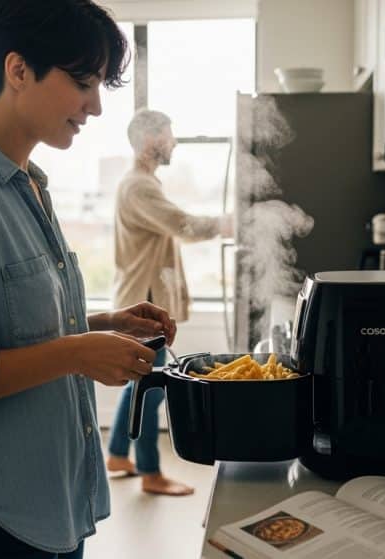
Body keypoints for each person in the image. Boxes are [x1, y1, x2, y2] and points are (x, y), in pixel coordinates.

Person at [0, 1, 177, 558]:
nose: (95, 106)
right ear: (18, 70)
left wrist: (100, 326)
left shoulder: (28, 187)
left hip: (48, 503)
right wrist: (76, 351)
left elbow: (7, 325)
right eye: (83, 82)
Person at [106, 109, 234, 496]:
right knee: (152, 385)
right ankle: (150, 473)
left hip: (138, 297)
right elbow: (183, 226)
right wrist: (227, 223)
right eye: (168, 135)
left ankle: (117, 454)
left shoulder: (140, 184)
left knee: (139, 382)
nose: (174, 142)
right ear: (150, 140)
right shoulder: (139, 188)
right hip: (143, 304)